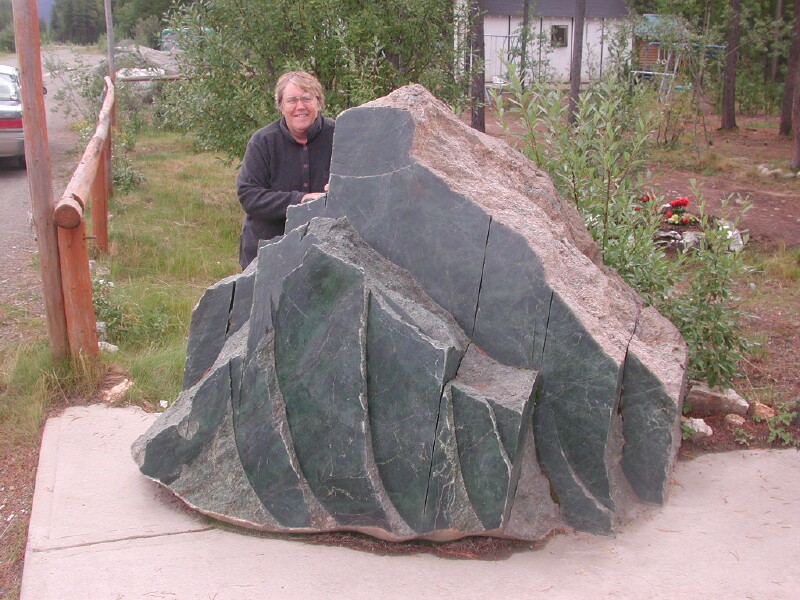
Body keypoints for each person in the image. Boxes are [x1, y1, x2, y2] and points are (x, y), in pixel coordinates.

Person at [236, 71, 335, 268]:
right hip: (265, 252)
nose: (300, 107)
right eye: (291, 100)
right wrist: (301, 200)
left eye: (307, 98)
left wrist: (341, 187)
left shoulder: (340, 135)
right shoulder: (262, 142)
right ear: (281, 106)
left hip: (326, 251)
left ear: (319, 102)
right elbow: (249, 195)